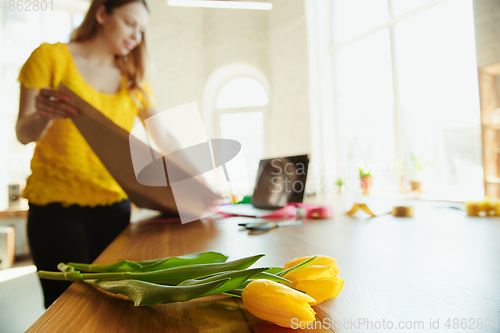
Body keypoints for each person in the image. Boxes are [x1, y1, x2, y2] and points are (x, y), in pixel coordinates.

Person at [16, 0, 219, 309]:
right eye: (129, 23)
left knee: (115, 309)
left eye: (141, 30)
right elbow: (23, 133)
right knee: (66, 311)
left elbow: (164, 137)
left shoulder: (133, 78)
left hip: (115, 210)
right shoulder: (50, 57)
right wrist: (44, 115)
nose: (136, 36)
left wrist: (202, 186)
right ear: (101, 13)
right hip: (56, 211)